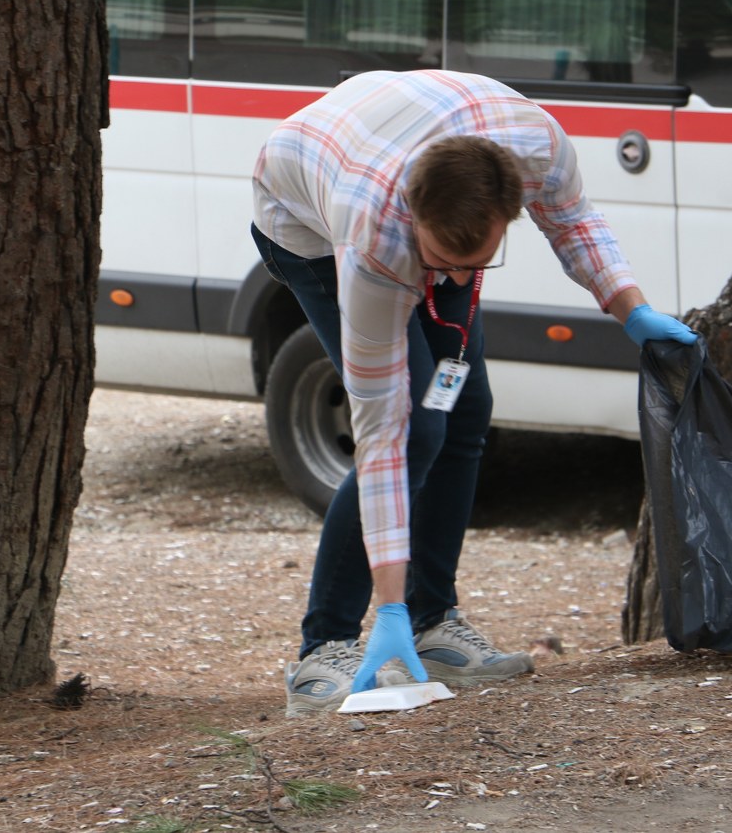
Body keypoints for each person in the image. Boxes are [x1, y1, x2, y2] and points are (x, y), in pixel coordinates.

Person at [250, 69, 697, 713]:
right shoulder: (375, 235)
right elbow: (380, 433)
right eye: (443, 263)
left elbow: (573, 224)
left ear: (508, 210)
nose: (456, 278)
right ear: (414, 216)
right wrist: (389, 607)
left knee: (463, 413)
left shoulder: (538, 148)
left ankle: (435, 627)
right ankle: (326, 646)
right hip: (303, 219)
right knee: (415, 431)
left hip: (408, 148)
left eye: (475, 264)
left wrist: (632, 310)